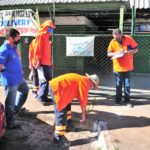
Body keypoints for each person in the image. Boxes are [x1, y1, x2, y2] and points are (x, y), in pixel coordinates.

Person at [48, 73, 100, 147]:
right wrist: (83, 114)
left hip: (58, 87)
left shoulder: (83, 80)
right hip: (57, 88)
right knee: (61, 112)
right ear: (91, 82)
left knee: (67, 104)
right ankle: (58, 137)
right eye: (93, 86)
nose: (91, 87)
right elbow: (83, 99)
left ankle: (67, 123)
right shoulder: (85, 82)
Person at [0, 28, 29, 129]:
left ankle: (16, 109)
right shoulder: (4, 50)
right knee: (10, 103)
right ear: (11, 38)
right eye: (18, 37)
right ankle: (10, 122)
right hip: (11, 80)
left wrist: (19, 69)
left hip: (19, 78)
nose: (19, 38)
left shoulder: (13, 47)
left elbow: (16, 59)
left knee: (25, 91)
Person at [107, 28, 138, 107]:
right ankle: (118, 100)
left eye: (116, 37)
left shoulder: (129, 39)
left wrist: (129, 52)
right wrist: (117, 53)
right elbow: (109, 54)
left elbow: (136, 49)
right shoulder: (112, 41)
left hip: (128, 66)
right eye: (114, 37)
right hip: (118, 67)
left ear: (120, 35)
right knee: (118, 84)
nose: (115, 39)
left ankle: (127, 101)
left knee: (127, 84)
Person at [33, 20, 56, 105]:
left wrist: (50, 62)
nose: (51, 29)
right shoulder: (41, 35)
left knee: (47, 80)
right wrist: (38, 61)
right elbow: (38, 50)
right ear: (45, 27)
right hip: (42, 63)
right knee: (45, 80)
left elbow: (46, 52)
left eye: (52, 28)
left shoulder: (46, 37)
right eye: (50, 27)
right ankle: (42, 97)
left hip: (46, 62)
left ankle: (43, 96)